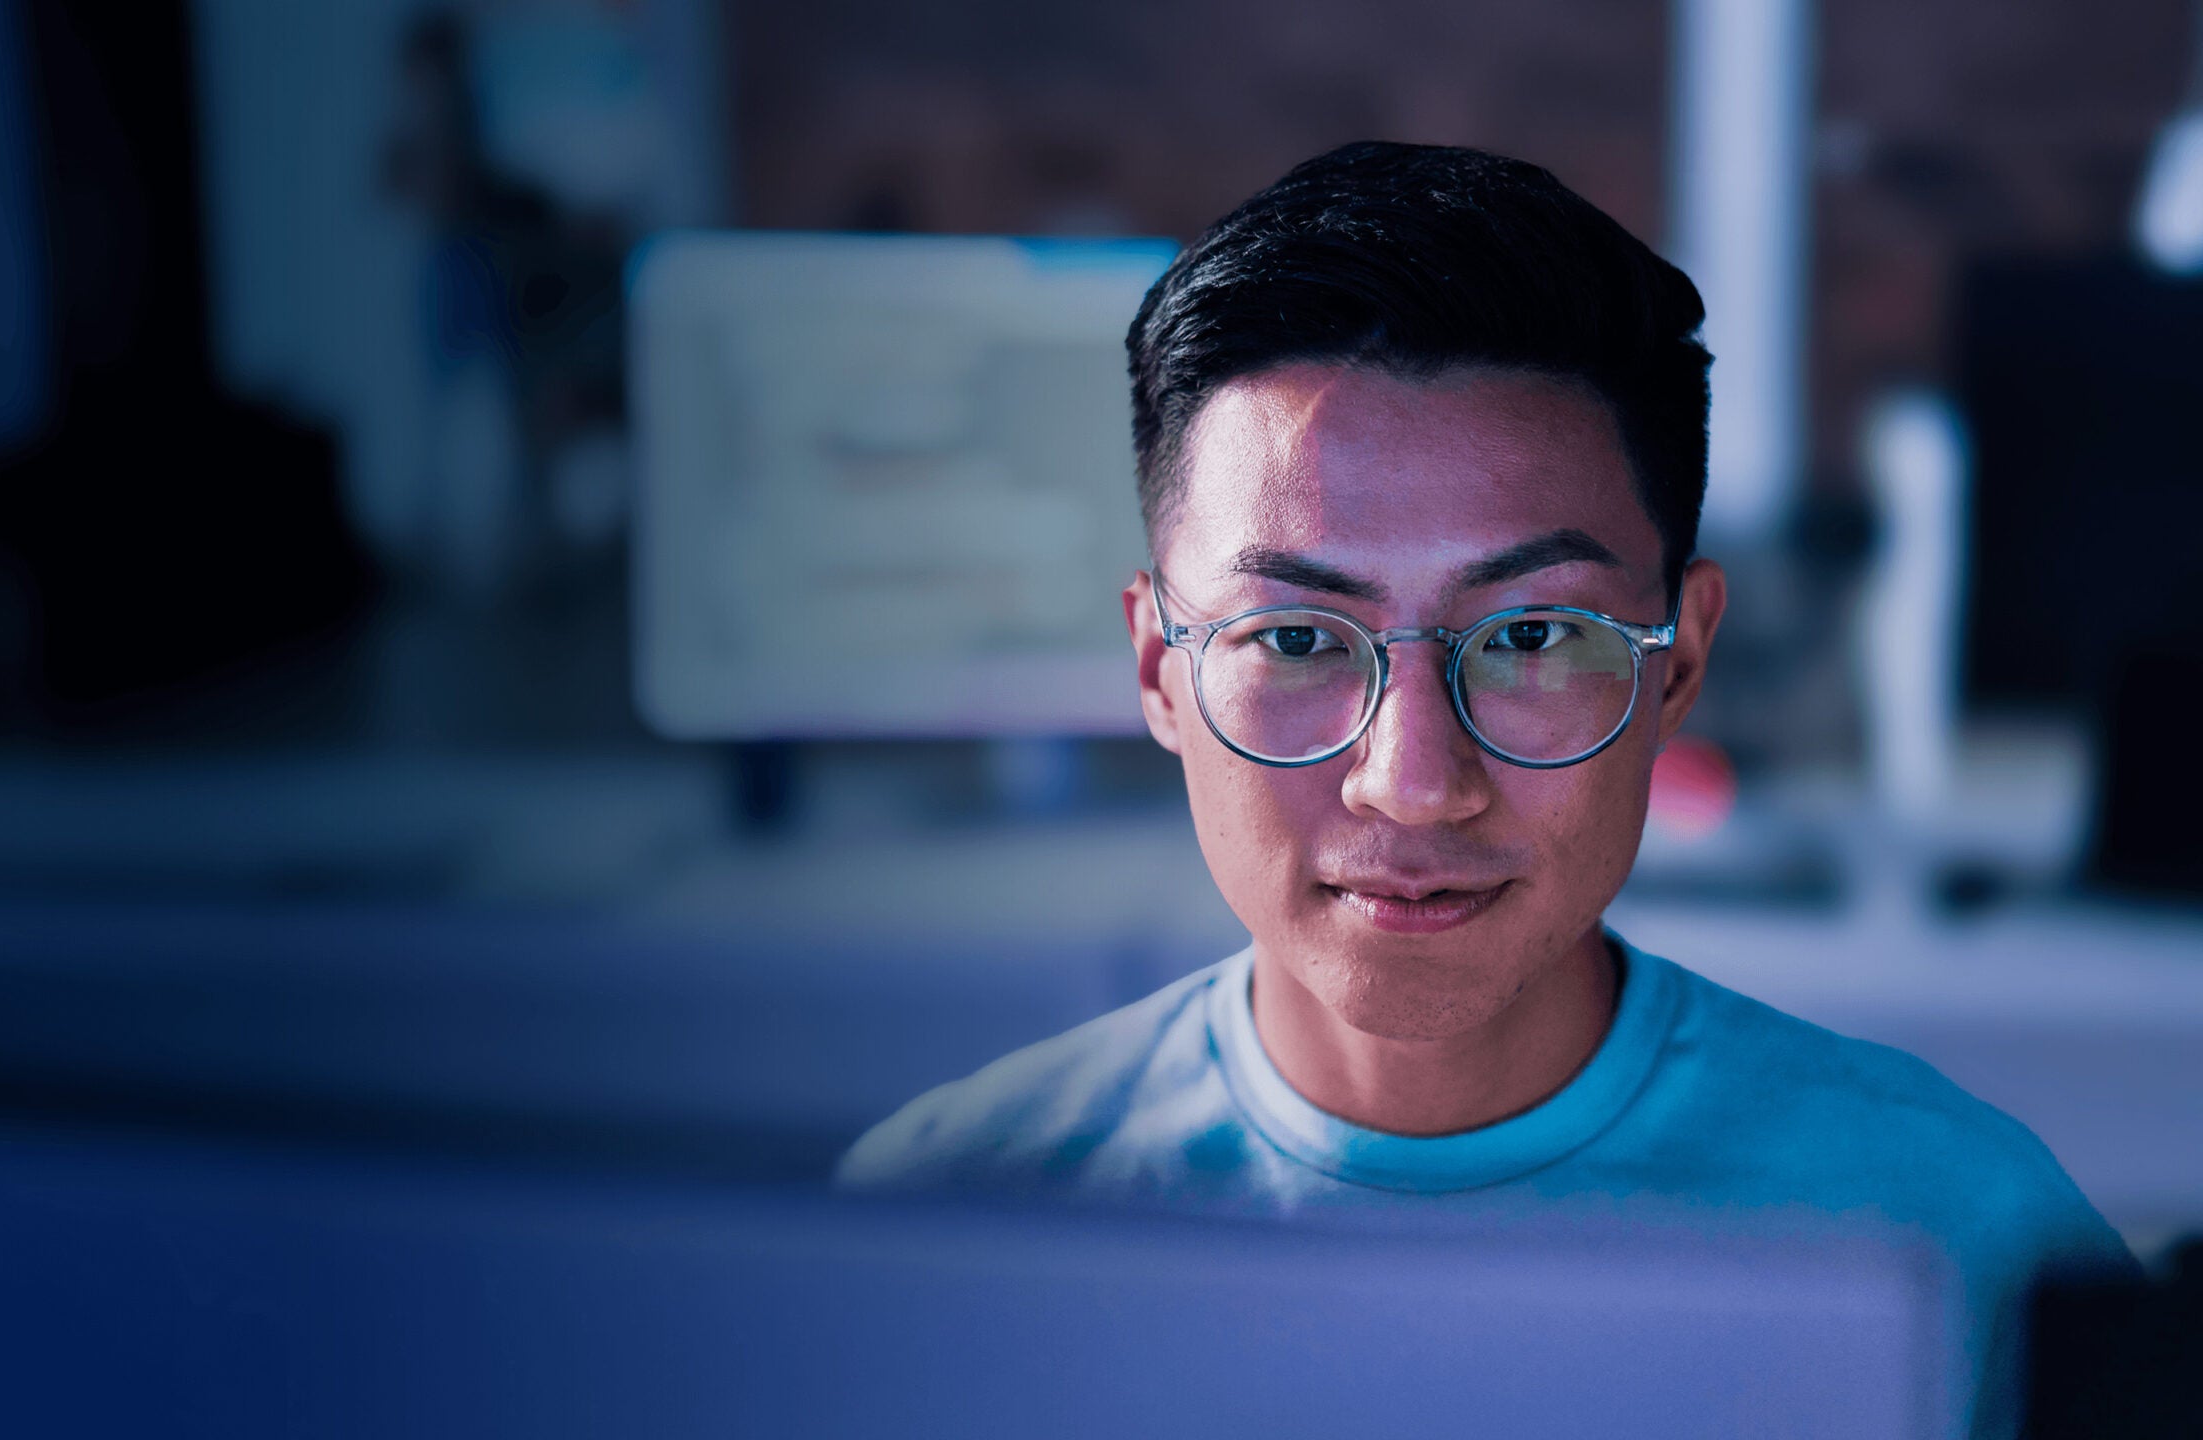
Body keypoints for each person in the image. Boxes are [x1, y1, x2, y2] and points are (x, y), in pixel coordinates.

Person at [835, 141, 2132, 1438]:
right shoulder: (932, 1238)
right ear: (1157, 671)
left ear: (1677, 664)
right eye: (1293, 640)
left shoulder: (1968, 1244)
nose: (1412, 785)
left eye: (1527, 639)